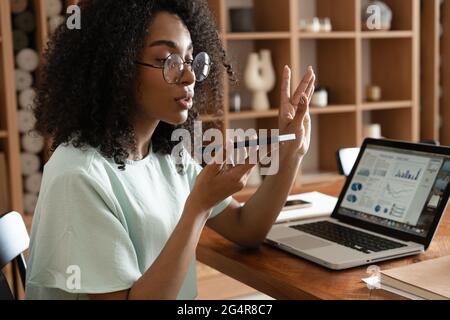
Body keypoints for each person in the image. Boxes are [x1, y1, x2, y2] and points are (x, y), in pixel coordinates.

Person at [26, 0, 315, 300]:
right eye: (168, 60)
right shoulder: (78, 177)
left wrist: (292, 152)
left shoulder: (165, 156)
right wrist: (198, 208)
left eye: (190, 59)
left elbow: (246, 228)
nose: (189, 76)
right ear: (118, 66)